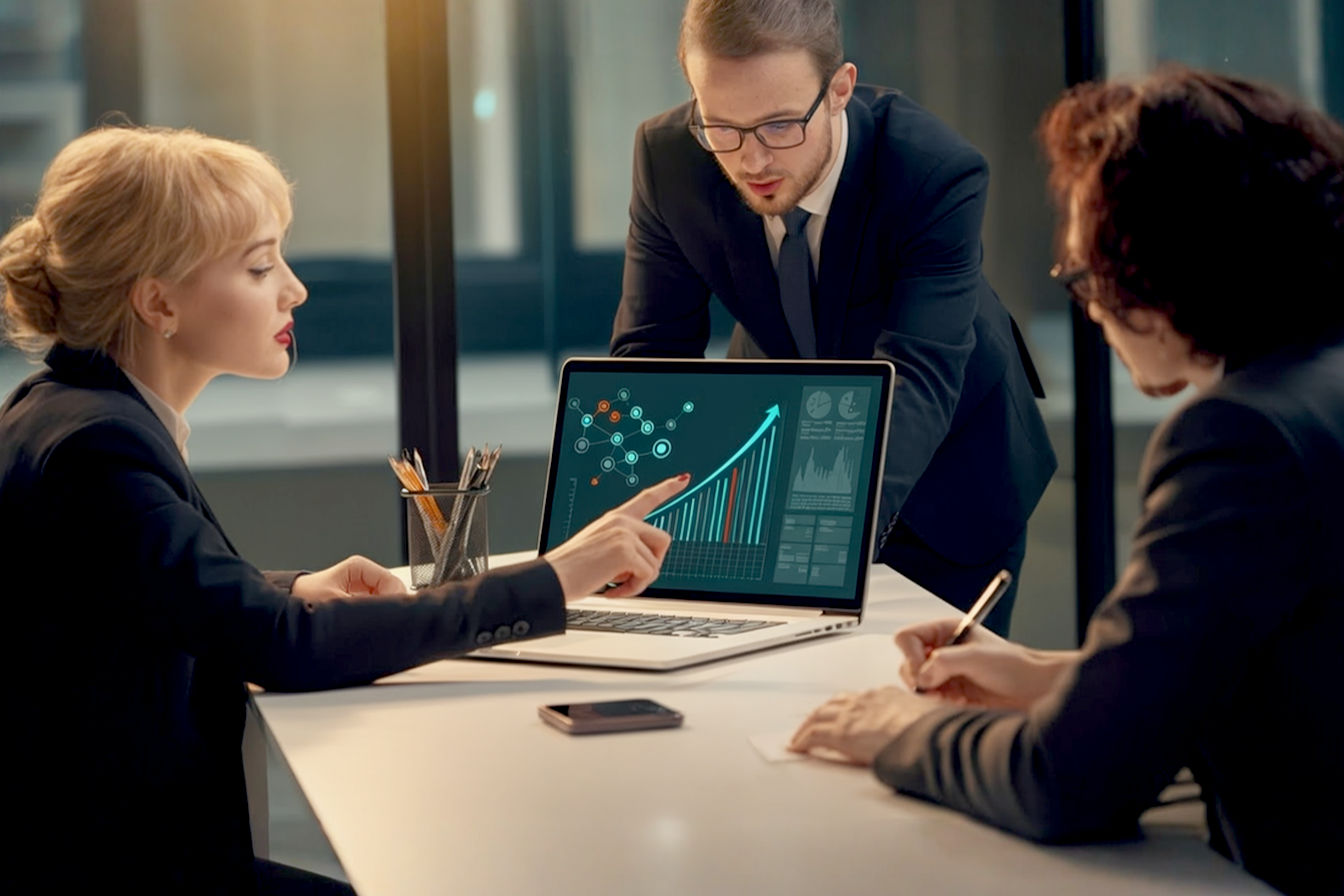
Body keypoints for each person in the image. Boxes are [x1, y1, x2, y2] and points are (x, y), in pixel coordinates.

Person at [0, 125, 688, 894]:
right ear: (158, 301)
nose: (294, 289)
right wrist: (551, 579)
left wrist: (291, 587)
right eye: (260, 266)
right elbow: (285, 649)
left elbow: (149, 583)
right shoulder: (97, 449)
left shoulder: (60, 409)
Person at [789, 66, 1344, 895]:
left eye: (1086, 276)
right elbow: (1286, 677)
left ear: (1166, 269)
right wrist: (1061, 679)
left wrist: (900, 728)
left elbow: (1069, 780)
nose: (1089, 309)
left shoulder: (1242, 440)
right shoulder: (1320, 389)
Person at [610, 0, 1057, 633]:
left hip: (951, 474)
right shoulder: (668, 160)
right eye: (722, 127)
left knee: (931, 689)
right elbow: (651, 361)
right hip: (779, 458)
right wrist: (624, 526)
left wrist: (820, 548)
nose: (752, 161)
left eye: (780, 125)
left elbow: (919, 373)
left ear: (840, 89)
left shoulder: (931, 170)